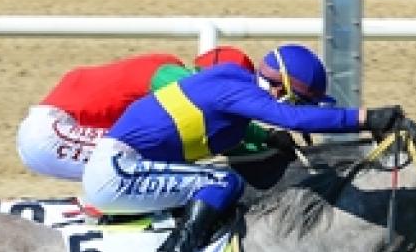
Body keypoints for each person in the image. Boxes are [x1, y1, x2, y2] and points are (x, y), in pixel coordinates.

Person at [80, 43, 409, 252]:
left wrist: (266, 137)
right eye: (302, 102)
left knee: (216, 183)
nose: (300, 109)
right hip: (117, 174)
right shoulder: (238, 91)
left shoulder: (230, 79)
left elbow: (233, 126)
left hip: (121, 167)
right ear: (282, 90)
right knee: (222, 181)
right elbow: (294, 120)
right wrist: (368, 118)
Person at [16, 46, 261, 182]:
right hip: (49, 133)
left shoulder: (166, 75)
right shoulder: (171, 75)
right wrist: (265, 137)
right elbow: (215, 111)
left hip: (48, 132)